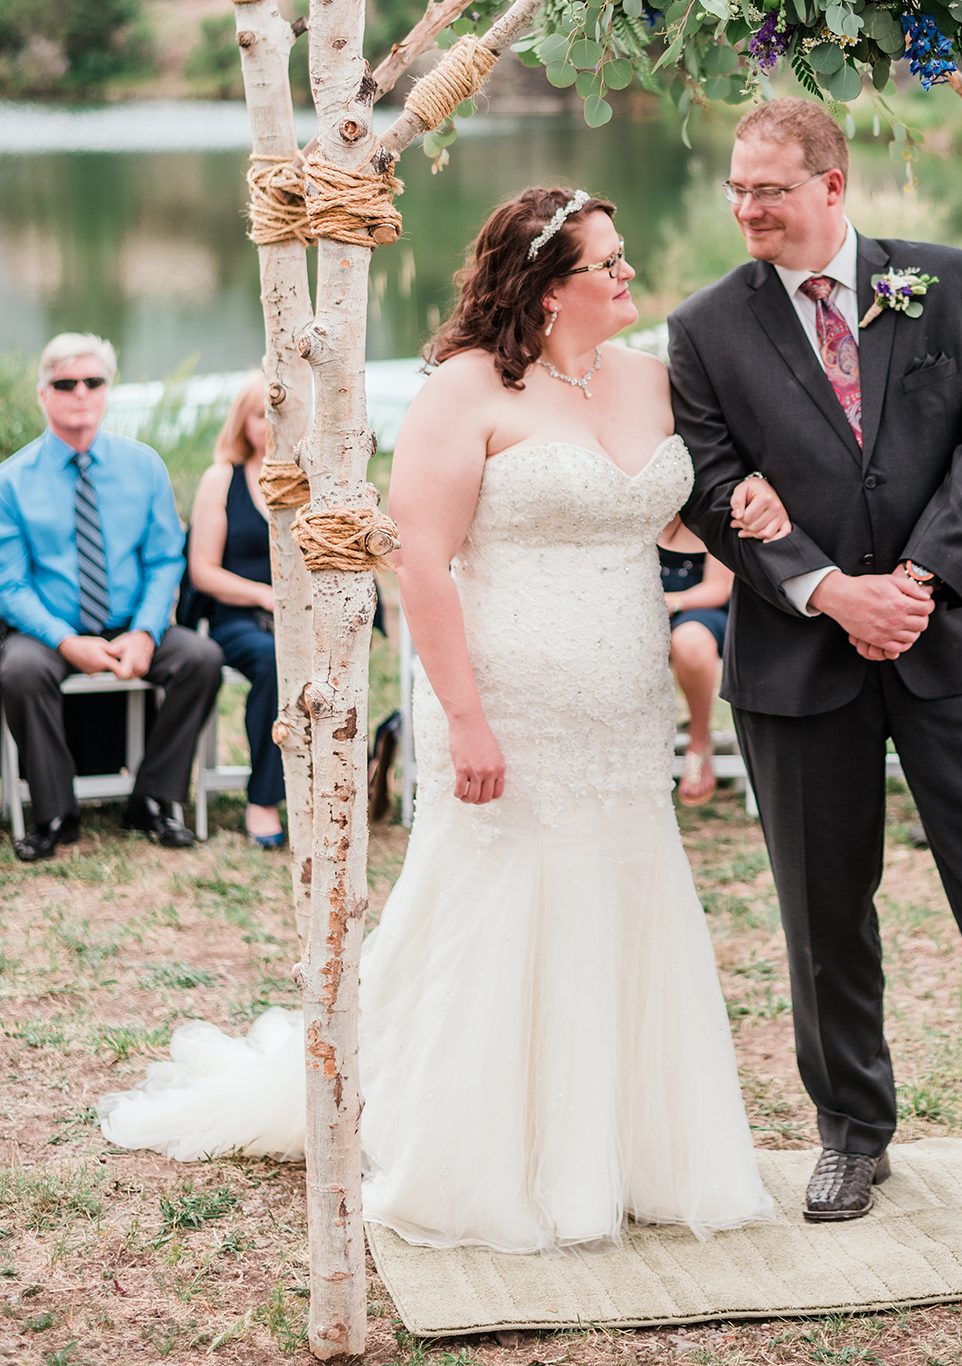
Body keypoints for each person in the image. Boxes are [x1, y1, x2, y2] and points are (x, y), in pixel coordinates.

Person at [100, 188, 775, 1254]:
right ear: (553, 292)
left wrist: (748, 509)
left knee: (625, 902)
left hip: (623, 705)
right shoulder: (466, 393)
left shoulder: (649, 378)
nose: (629, 278)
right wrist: (464, 718)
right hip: (507, 698)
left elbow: (671, 507)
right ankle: (480, 1153)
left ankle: (625, 1149)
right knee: (498, 918)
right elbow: (421, 558)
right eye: (609, 265)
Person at [667, 97, 962, 1225]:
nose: (745, 205)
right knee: (823, 915)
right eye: (736, 186)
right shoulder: (705, 327)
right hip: (797, 661)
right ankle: (852, 1136)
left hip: (947, 638)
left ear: (831, 184)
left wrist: (911, 585)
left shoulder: (947, 279)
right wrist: (828, 589)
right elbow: (715, 491)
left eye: (767, 187)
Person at [0, 333, 222, 861]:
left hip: (129, 624)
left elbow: (165, 559)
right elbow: (10, 584)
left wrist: (146, 631)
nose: (80, 392)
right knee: (18, 671)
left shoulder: (143, 465)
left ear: (107, 390)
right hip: (48, 633)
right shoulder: (11, 481)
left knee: (201, 658)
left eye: (92, 382)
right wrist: (66, 641)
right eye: (65, 383)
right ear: (43, 395)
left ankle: (152, 799)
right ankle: (55, 813)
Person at [187, 373, 285, 850]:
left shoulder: (313, 480)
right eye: (259, 414)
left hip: (300, 620)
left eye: (279, 413)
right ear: (242, 422)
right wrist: (265, 596)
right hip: (238, 618)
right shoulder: (221, 479)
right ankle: (263, 799)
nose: (270, 424)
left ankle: (350, 772)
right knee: (272, 662)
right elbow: (203, 572)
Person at [659, 519, 733, 803]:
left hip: (703, 609)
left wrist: (670, 602)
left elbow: (718, 588)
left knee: (689, 641)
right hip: (639, 607)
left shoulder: (711, 507)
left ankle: (699, 740)